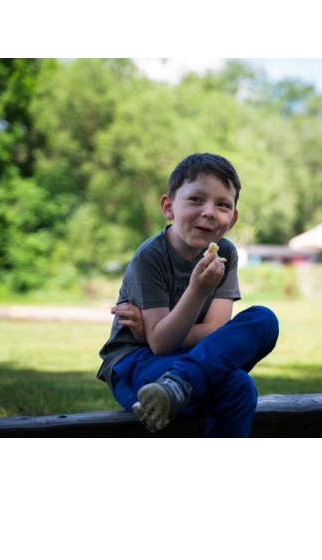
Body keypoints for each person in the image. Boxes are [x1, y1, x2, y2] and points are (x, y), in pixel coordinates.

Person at [97, 153, 279, 437]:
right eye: (196, 199)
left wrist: (152, 332)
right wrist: (197, 292)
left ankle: (180, 384)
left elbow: (216, 330)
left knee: (264, 320)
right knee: (237, 385)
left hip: (190, 359)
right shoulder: (150, 257)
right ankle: (178, 385)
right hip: (136, 361)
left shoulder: (225, 253)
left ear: (233, 219)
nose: (209, 212)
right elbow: (161, 346)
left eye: (222, 204)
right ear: (168, 207)